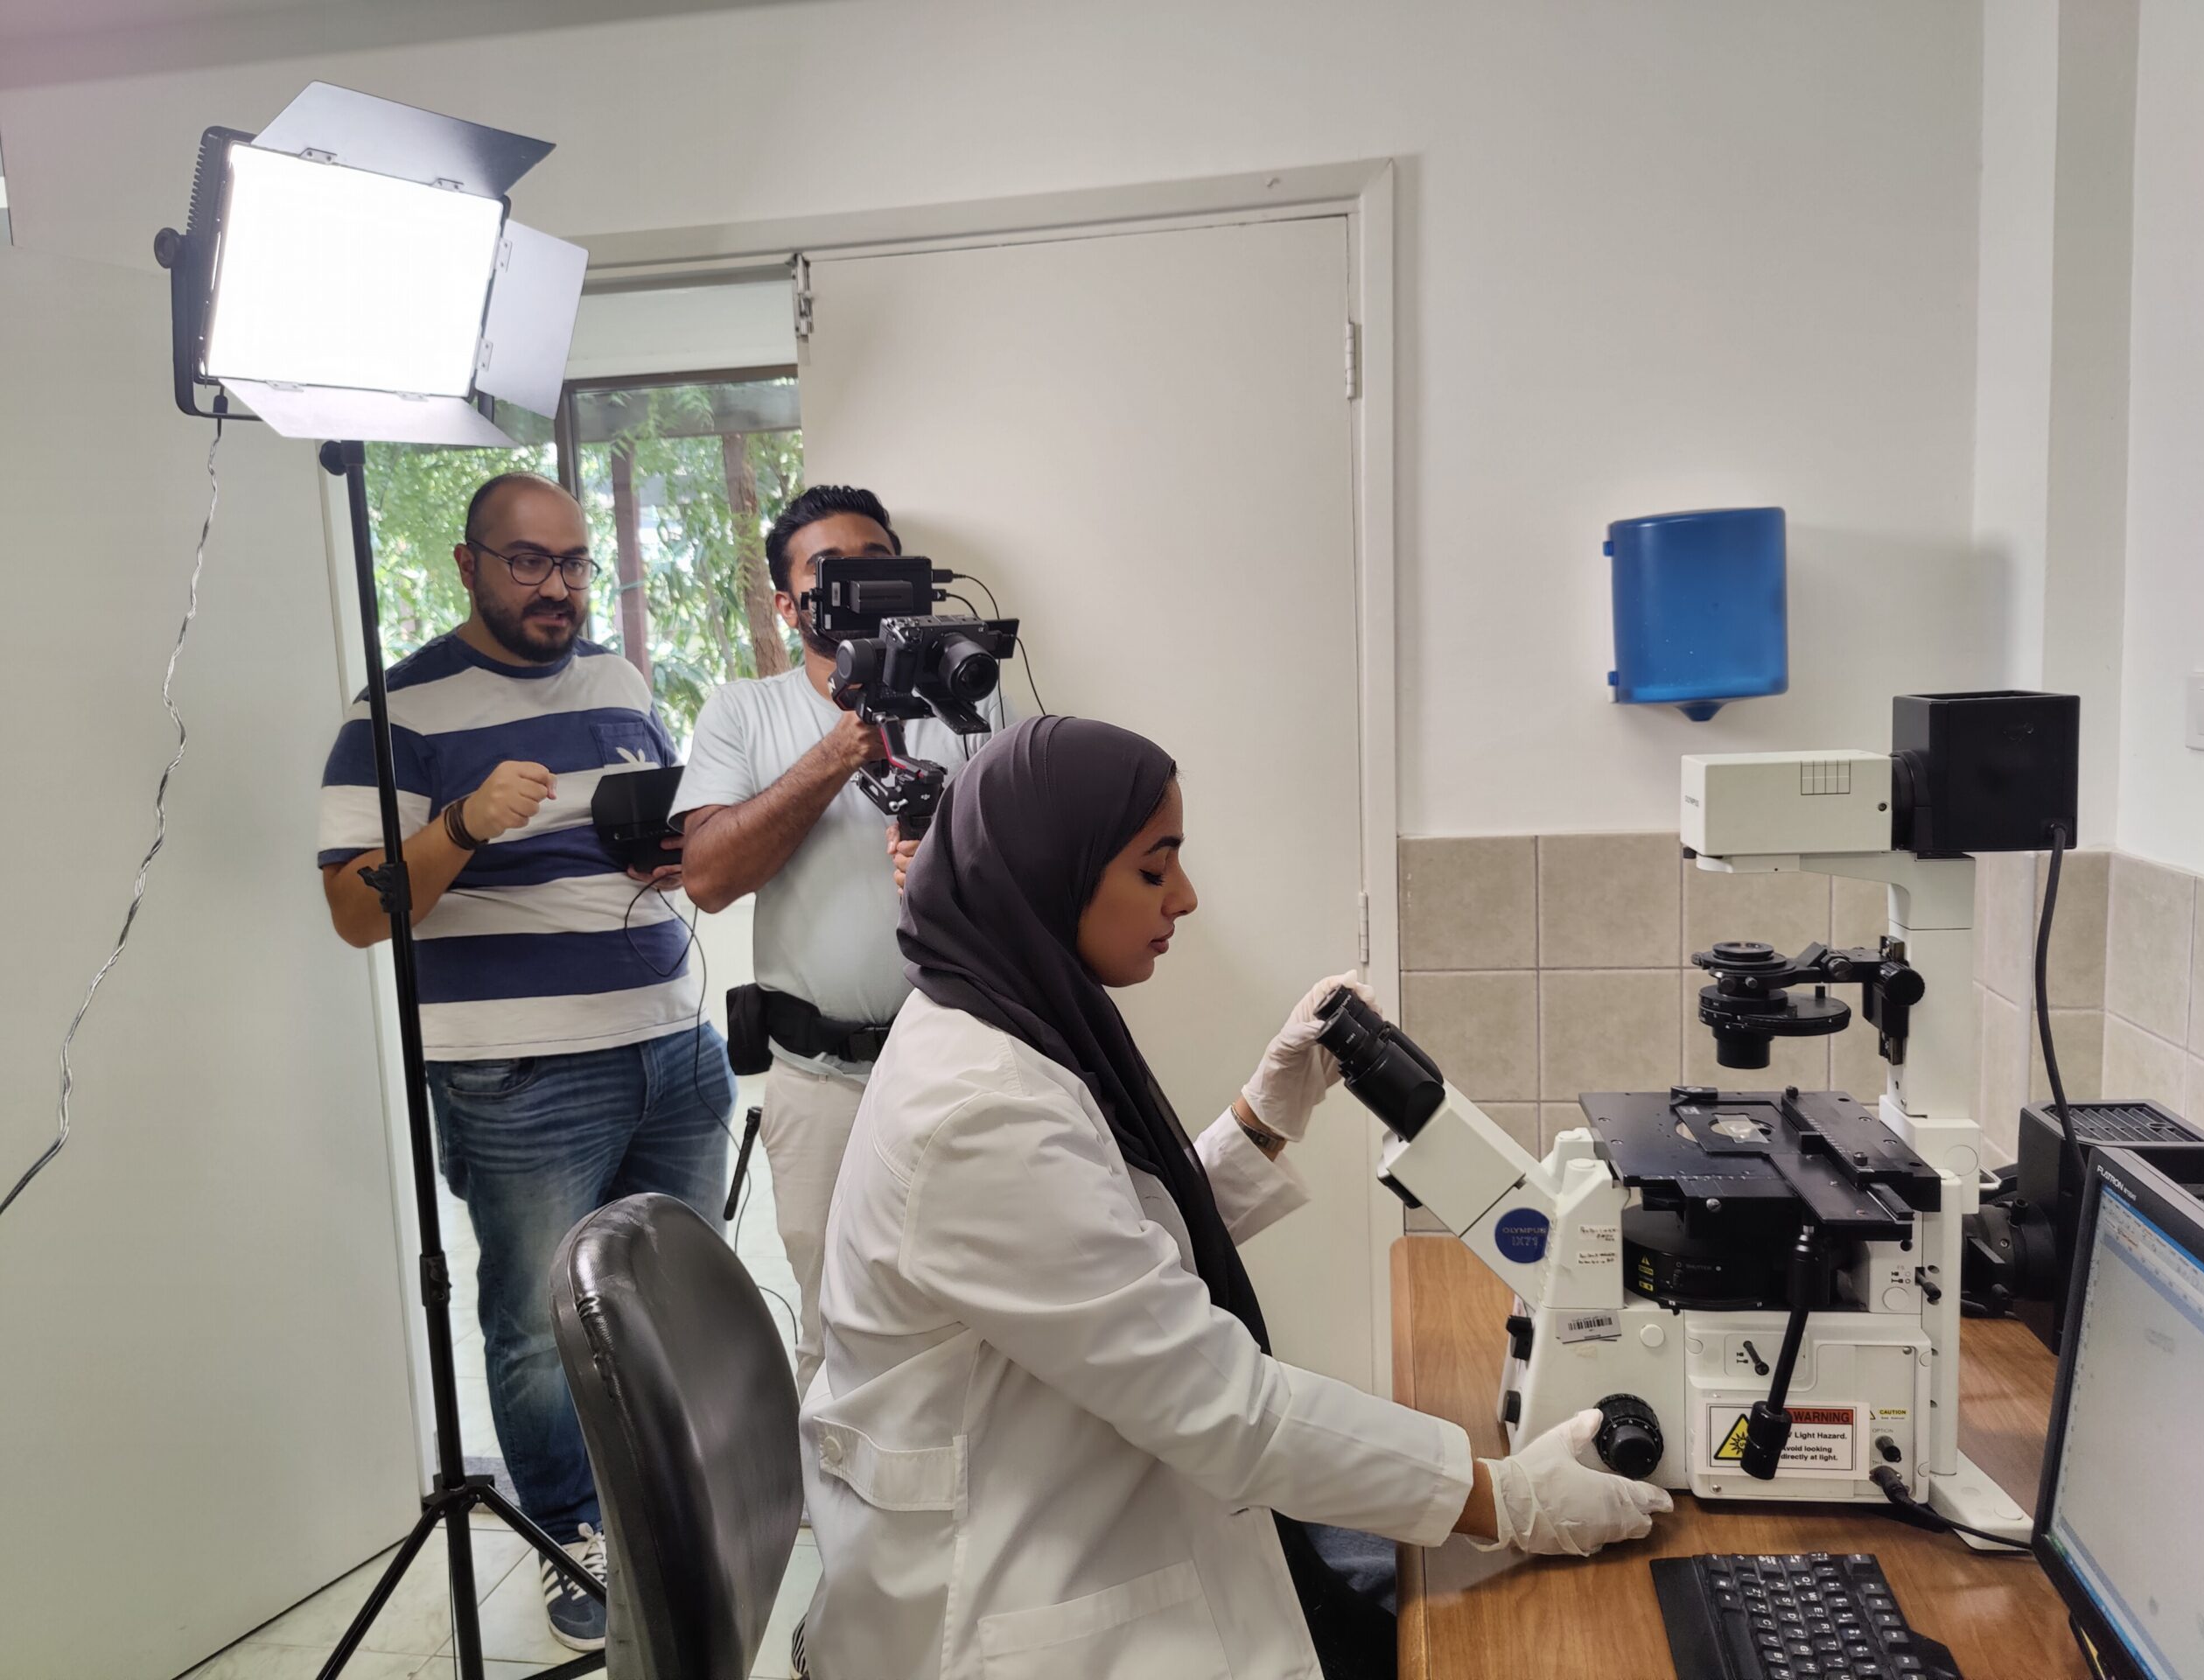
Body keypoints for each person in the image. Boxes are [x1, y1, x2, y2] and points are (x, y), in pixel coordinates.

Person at [799, 716, 1670, 1680]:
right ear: (1054, 871)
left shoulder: (987, 1016)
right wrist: (1507, 1500)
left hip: (1070, 1486)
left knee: (1402, 1576)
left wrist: (1265, 1114)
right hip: (1014, 1593)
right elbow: (1224, 1407)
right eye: (1152, 867)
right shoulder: (977, 1109)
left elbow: (1105, 1253)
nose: (1185, 897)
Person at [317, 472, 734, 1653]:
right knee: (538, 1322)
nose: (555, 587)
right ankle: (571, 1533)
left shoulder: (616, 681)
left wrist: (665, 855)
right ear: (466, 565)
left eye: (572, 563)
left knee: (675, 1301)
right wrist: (458, 827)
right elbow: (355, 911)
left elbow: (645, 833)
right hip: (520, 1079)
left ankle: (672, 1509)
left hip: (670, 1044)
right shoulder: (393, 714)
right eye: (526, 562)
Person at [674, 483, 987, 1391]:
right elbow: (709, 876)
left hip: (959, 1068)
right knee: (834, 1326)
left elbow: (1035, 873)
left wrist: (951, 866)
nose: (865, 584)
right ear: (787, 601)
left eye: (880, 563)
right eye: (833, 569)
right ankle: (853, 1526)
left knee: (977, 1311)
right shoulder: (743, 711)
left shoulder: (972, 695)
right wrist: (841, 747)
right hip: (821, 1086)